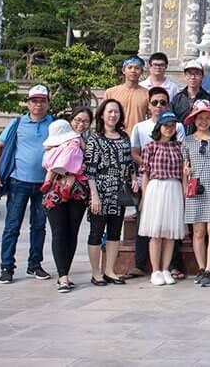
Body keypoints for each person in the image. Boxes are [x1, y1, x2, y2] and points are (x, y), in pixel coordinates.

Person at [130, 85, 186, 278]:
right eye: (165, 125)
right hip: (156, 187)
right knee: (155, 232)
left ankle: (166, 268)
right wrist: (144, 197)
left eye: (172, 126)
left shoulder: (180, 147)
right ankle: (155, 270)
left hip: (174, 188)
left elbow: (184, 173)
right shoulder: (150, 147)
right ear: (159, 127)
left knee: (170, 232)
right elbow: (145, 173)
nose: (169, 129)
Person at [85, 98, 136, 286]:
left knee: (115, 232)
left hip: (119, 193)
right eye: (109, 112)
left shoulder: (124, 137)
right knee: (96, 232)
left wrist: (132, 178)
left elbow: (129, 163)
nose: (113, 115)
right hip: (100, 190)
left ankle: (110, 270)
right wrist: (94, 196)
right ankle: (95, 272)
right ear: (102, 115)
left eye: (116, 112)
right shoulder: (95, 139)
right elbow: (89, 170)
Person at [181, 100, 210, 288]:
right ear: (194, 119)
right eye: (200, 118)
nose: (203, 121)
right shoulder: (187, 141)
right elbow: (185, 167)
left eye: (207, 118)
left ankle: (209, 269)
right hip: (195, 189)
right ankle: (201, 267)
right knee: (198, 231)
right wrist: (186, 185)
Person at [41, 118, 88, 293]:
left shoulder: (82, 142)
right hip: (54, 193)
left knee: (72, 232)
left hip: (77, 192)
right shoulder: (54, 146)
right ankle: (63, 277)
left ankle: (65, 272)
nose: (81, 123)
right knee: (59, 232)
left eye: (85, 121)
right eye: (77, 120)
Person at [103, 56, 149, 135]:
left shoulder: (147, 94)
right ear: (123, 70)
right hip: (114, 136)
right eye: (130, 67)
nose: (133, 71)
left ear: (141, 72)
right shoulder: (110, 92)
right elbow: (103, 116)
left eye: (137, 68)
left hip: (138, 137)